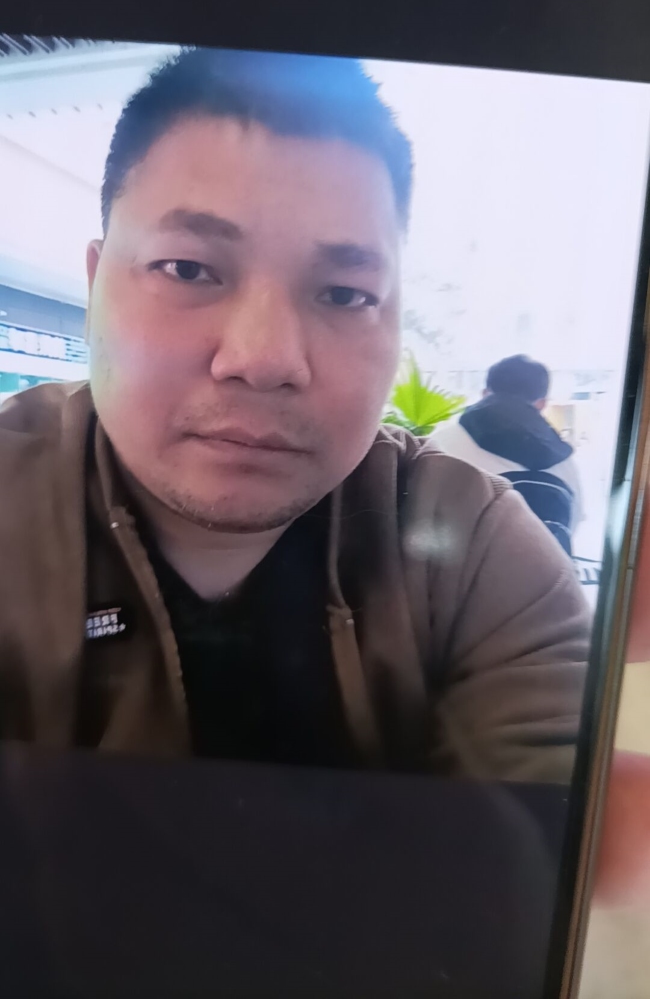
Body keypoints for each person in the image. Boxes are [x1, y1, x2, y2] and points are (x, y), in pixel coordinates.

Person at [0, 47, 590, 782]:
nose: (264, 358)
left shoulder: (475, 550)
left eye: (344, 294)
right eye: (188, 269)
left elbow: (541, 810)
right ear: (95, 289)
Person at [434, 355, 585, 555]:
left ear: (485, 394)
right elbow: (572, 526)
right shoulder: (565, 462)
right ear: (541, 404)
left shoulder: (441, 443)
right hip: (544, 572)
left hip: (456, 570)